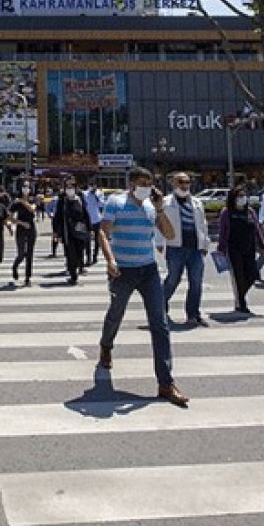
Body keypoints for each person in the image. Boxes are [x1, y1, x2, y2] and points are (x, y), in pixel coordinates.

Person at [96, 168, 188, 406]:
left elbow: (169, 234)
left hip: (148, 270)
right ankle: (106, 346)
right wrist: (110, 260)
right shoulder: (116, 202)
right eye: (141, 182)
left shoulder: (151, 206)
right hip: (122, 270)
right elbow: (103, 233)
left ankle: (166, 384)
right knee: (116, 313)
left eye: (149, 183)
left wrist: (159, 209)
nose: (146, 186)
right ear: (131, 184)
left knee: (160, 323)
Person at [157, 172, 211, 327]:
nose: (184, 185)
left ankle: (193, 314)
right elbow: (159, 223)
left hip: (195, 248)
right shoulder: (166, 203)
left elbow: (202, 224)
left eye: (187, 182)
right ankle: (160, 306)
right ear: (173, 183)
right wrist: (160, 242)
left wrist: (205, 243)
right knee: (173, 279)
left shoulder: (197, 203)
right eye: (181, 181)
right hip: (175, 247)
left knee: (196, 282)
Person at [218, 185, 264, 314]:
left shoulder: (250, 212)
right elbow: (223, 232)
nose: (242, 198)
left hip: (249, 248)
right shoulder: (227, 212)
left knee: (253, 275)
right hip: (233, 249)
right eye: (239, 196)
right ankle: (241, 303)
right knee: (238, 276)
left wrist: (263, 245)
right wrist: (221, 248)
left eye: (243, 196)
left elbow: (257, 230)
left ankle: (240, 296)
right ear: (233, 198)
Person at [52, 179, 93, 285]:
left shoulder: (79, 199)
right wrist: (56, 232)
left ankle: (79, 267)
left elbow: (85, 214)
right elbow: (57, 217)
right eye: (68, 188)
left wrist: (90, 229)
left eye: (71, 188)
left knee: (80, 252)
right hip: (67, 232)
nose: (70, 190)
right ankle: (73, 275)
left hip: (80, 231)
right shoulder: (63, 201)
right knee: (70, 254)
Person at [9, 190, 38, 286]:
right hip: (21, 229)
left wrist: (23, 201)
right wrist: (21, 223)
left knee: (30, 254)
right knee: (21, 253)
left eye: (28, 187)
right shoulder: (16, 203)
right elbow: (10, 217)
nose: (26, 189)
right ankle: (15, 267)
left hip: (31, 229)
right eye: (24, 187)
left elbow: (32, 210)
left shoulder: (32, 200)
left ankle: (27, 278)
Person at [83, 183, 105, 265]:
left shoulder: (99, 193)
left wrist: (96, 196)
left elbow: (102, 204)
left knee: (97, 240)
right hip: (87, 220)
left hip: (97, 219)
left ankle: (95, 256)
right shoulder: (84, 194)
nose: (92, 188)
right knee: (87, 240)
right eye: (91, 186)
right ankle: (88, 258)